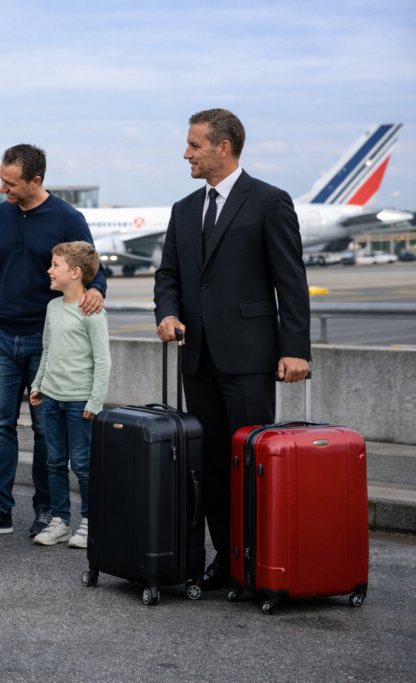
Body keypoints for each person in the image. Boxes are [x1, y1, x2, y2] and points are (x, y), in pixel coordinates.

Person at [154, 109, 310, 590]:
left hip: (249, 359)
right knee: (212, 467)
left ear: (223, 148)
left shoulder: (269, 201)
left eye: (194, 145)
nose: (186, 154)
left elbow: (291, 281)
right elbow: (169, 276)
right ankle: (225, 558)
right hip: (197, 358)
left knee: (252, 464)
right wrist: (166, 312)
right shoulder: (183, 209)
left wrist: (296, 349)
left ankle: (259, 560)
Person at [0, 144, 108, 538]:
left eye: (10, 183)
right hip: (1, 336)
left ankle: (49, 512)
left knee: (47, 430)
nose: (2, 189)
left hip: (46, 340)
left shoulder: (68, 218)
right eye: (1, 179)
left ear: (35, 180)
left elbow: (90, 266)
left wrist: (97, 290)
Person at [29, 242, 111, 548]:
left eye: (55, 265)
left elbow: (103, 360)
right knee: (54, 461)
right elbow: (47, 350)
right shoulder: (52, 307)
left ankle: (91, 521)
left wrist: (95, 402)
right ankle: (60, 520)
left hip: (80, 402)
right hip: (51, 398)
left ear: (75, 273)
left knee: (82, 463)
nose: (49, 270)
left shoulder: (92, 312)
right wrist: (38, 385)